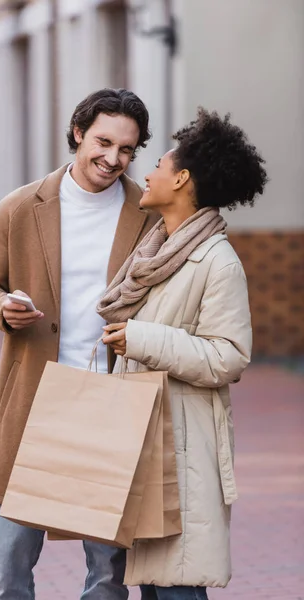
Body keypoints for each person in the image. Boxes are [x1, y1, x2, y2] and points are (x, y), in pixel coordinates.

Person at [0, 88, 159, 600]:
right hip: (33, 399)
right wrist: (2, 307)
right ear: (78, 133)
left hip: (112, 402)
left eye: (126, 149)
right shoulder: (20, 207)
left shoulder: (149, 214)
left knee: (108, 574)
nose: (113, 158)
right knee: (10, 560)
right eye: (103, 141)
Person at [100, 107, 268, 600]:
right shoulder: (156, 251)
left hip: (185, 448)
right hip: (145, 438)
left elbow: (228, 357)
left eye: (156, 165)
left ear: (182, 179)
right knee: (155, 586)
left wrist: (141, 338)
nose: (146, 173)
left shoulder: (217, 259)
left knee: (177, 587)